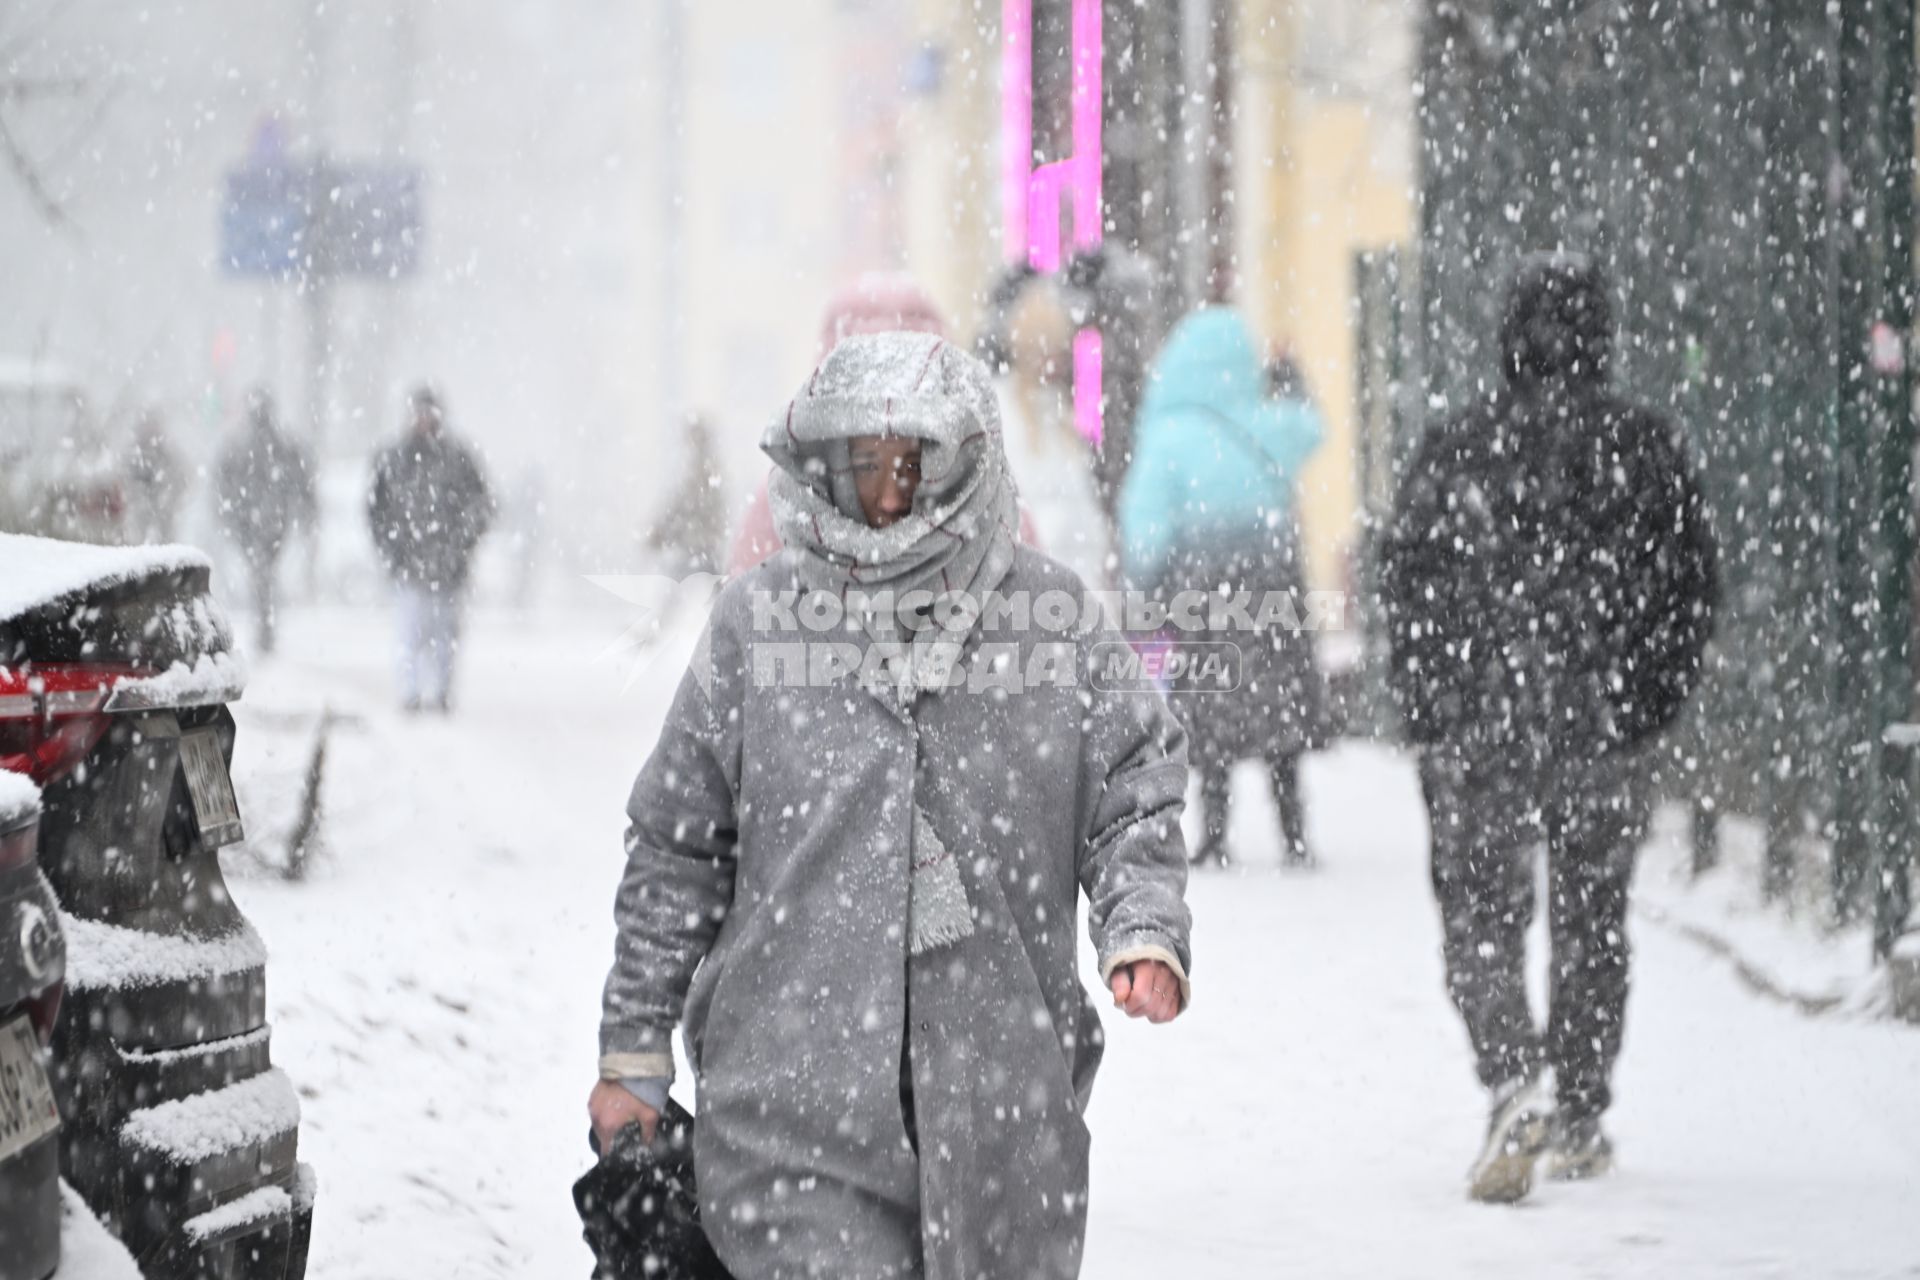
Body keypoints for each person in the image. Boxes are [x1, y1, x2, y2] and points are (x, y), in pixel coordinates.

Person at [590, 332, 1192, 1279]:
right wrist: (632, 1052)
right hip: (790, 1120)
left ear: (966, 463)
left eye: (911, 464)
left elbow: (1135, 783)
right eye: (862, 464)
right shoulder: (757, 623)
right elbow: (675, 850)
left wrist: (1143, 924)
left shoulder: (1050, 619)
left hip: (1004, 1123)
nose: (885, 495)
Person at [1379, 252, 1718, 1204]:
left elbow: (1409, 587)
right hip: (1600, 719)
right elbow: (1689, 591)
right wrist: (1647, 700)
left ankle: (1510, 1072)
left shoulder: (1456, 454)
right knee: (1592, 915)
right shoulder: (1645, 452)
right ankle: (1578, 1106)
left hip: (1482, 713)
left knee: (1480, 909)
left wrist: (1434, 708)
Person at [1118, 306, 1329, 868]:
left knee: (1212, 711)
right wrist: (1289, 378)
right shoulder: (1267, 422)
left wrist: (1144, 585)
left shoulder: (1167, 435)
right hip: (1272, 582)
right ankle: (1294, 829)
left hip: (1203, 588)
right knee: (1279, 707)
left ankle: (1214, 830)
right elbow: (1313, 428)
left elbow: (1146, 529)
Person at [367, 385, 495, 712]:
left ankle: (440, 694)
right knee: (409, 636)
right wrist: (393, 549)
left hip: (449, 570)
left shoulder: (458, 459)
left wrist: (461, 543)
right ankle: (410, 695)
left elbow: (483, 506)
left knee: (445, 640)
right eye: (419, 412)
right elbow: (375, 511)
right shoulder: (394, 459)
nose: (424, 419)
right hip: (409, 568)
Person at [992, 274, 1113, 588]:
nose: (1056, 364)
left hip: (1067, 589)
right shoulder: (1004, 412)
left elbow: (1084, 515)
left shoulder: (1059, 416)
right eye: (1051, 350)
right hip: (1033, 588)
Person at [215, 389, 315, 654]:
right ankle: (265, 626)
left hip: (259, 521)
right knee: (263, 575)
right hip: (265, 521)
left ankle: (265, 626)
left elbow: (224, 485)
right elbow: (303, 481)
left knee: (261, 574)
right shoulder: (278, 443)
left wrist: (230, 514)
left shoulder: (251, 445)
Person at [642, 414, 726, 576]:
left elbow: (685, 505)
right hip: (704, 547)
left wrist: (663, 530)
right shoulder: (704, 466)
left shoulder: (703, 469)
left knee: (677, 590)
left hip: (700, 548)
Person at [125, 407, 186, 544]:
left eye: (152, 426)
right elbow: (123, 482)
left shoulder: (168, 455)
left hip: (163, 515)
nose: (149, 431)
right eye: (146, 426)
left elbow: (182, 479)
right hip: (139, 516)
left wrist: (169, 499)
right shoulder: (131, 456)